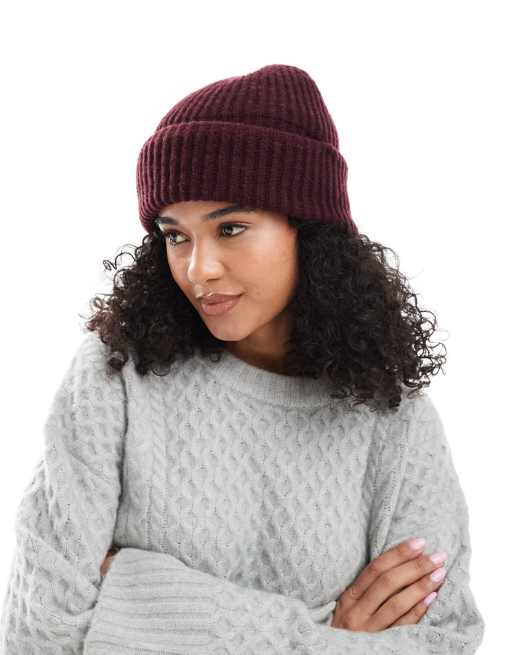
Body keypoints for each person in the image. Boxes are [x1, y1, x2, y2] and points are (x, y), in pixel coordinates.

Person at [0, 64, 485, 653]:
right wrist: (327, 639)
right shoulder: (118, 377)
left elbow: (444, 642)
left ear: (308, 231)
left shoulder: (395, 421)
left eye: (230, 228)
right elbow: (39, 632)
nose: (198, 268)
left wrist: (131, 597)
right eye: (175, 235)